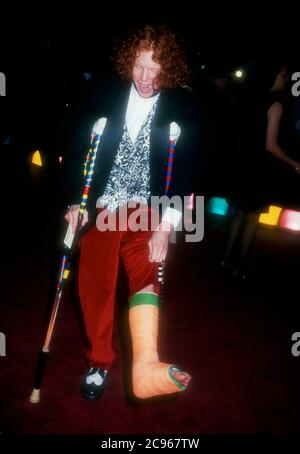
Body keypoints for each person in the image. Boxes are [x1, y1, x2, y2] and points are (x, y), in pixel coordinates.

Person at [64, 25, 198, 400]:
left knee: (145, 271)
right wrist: (76, 202)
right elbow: (77, 150)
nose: (145, 78)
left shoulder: (182, 104)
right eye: (139, 67)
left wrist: (166, 227)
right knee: (96, 284)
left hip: (148, 207)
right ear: (129, 62)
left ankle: (145, 363)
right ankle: (99, 361)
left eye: (154, 69)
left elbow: (185, 168)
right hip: (104, 203)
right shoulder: (102, 93)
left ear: (167, 68)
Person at [221, 63, 300, 279]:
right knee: (252, 219)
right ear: (273, 76)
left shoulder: (249, 96)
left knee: (238, 214)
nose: (286, 78)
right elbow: (270, 145)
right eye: (284, 75)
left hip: (240, 163)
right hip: (258, 169)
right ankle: (239, 265)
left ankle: (226, 257)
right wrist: (294, 163)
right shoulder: (276, 104)